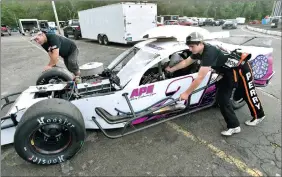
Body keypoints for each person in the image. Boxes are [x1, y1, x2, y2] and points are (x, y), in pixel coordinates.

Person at [165, 32, 265, 136]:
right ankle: (234, 126)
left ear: (200, 43)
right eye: (189, 46)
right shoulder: (198, 51)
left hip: (240, 67)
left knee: (248, 92)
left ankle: (259, 115)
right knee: (222, 98)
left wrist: (186, 94)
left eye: (192, 46)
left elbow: (200, 77)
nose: (190, 49)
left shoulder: (209, 53)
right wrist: (172, 69)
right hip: (227, 71)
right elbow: (186, 62)